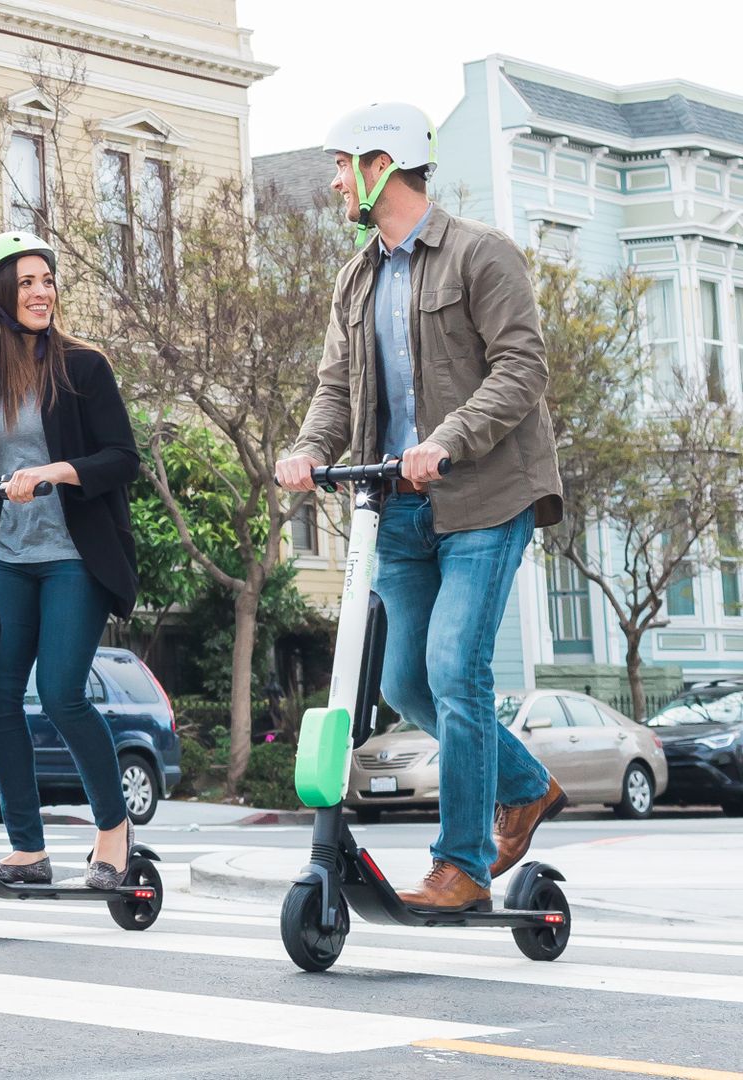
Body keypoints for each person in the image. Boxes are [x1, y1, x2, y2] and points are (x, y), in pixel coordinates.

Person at [274, 103, 567, 912]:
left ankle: (461, 866)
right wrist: (309, 450)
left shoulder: (481, 254)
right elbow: (337, 388)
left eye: (342, 165)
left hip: (483, 495)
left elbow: (521, 367)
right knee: (405, 680)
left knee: (455, 670)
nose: (334, 180)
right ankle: (526, 786)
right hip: (397, 511)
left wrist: (449, 438)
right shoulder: (357, 276)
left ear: (381, 165)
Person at [0, 231, 141, 888]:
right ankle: (27, 845)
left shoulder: (83, 368)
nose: (42, 292)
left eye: (48, 280)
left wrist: (55, 472)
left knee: (65, 693)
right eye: (26, 282)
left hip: (73, 555)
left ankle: (113, 828)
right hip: (8, 557)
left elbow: (121, 458)